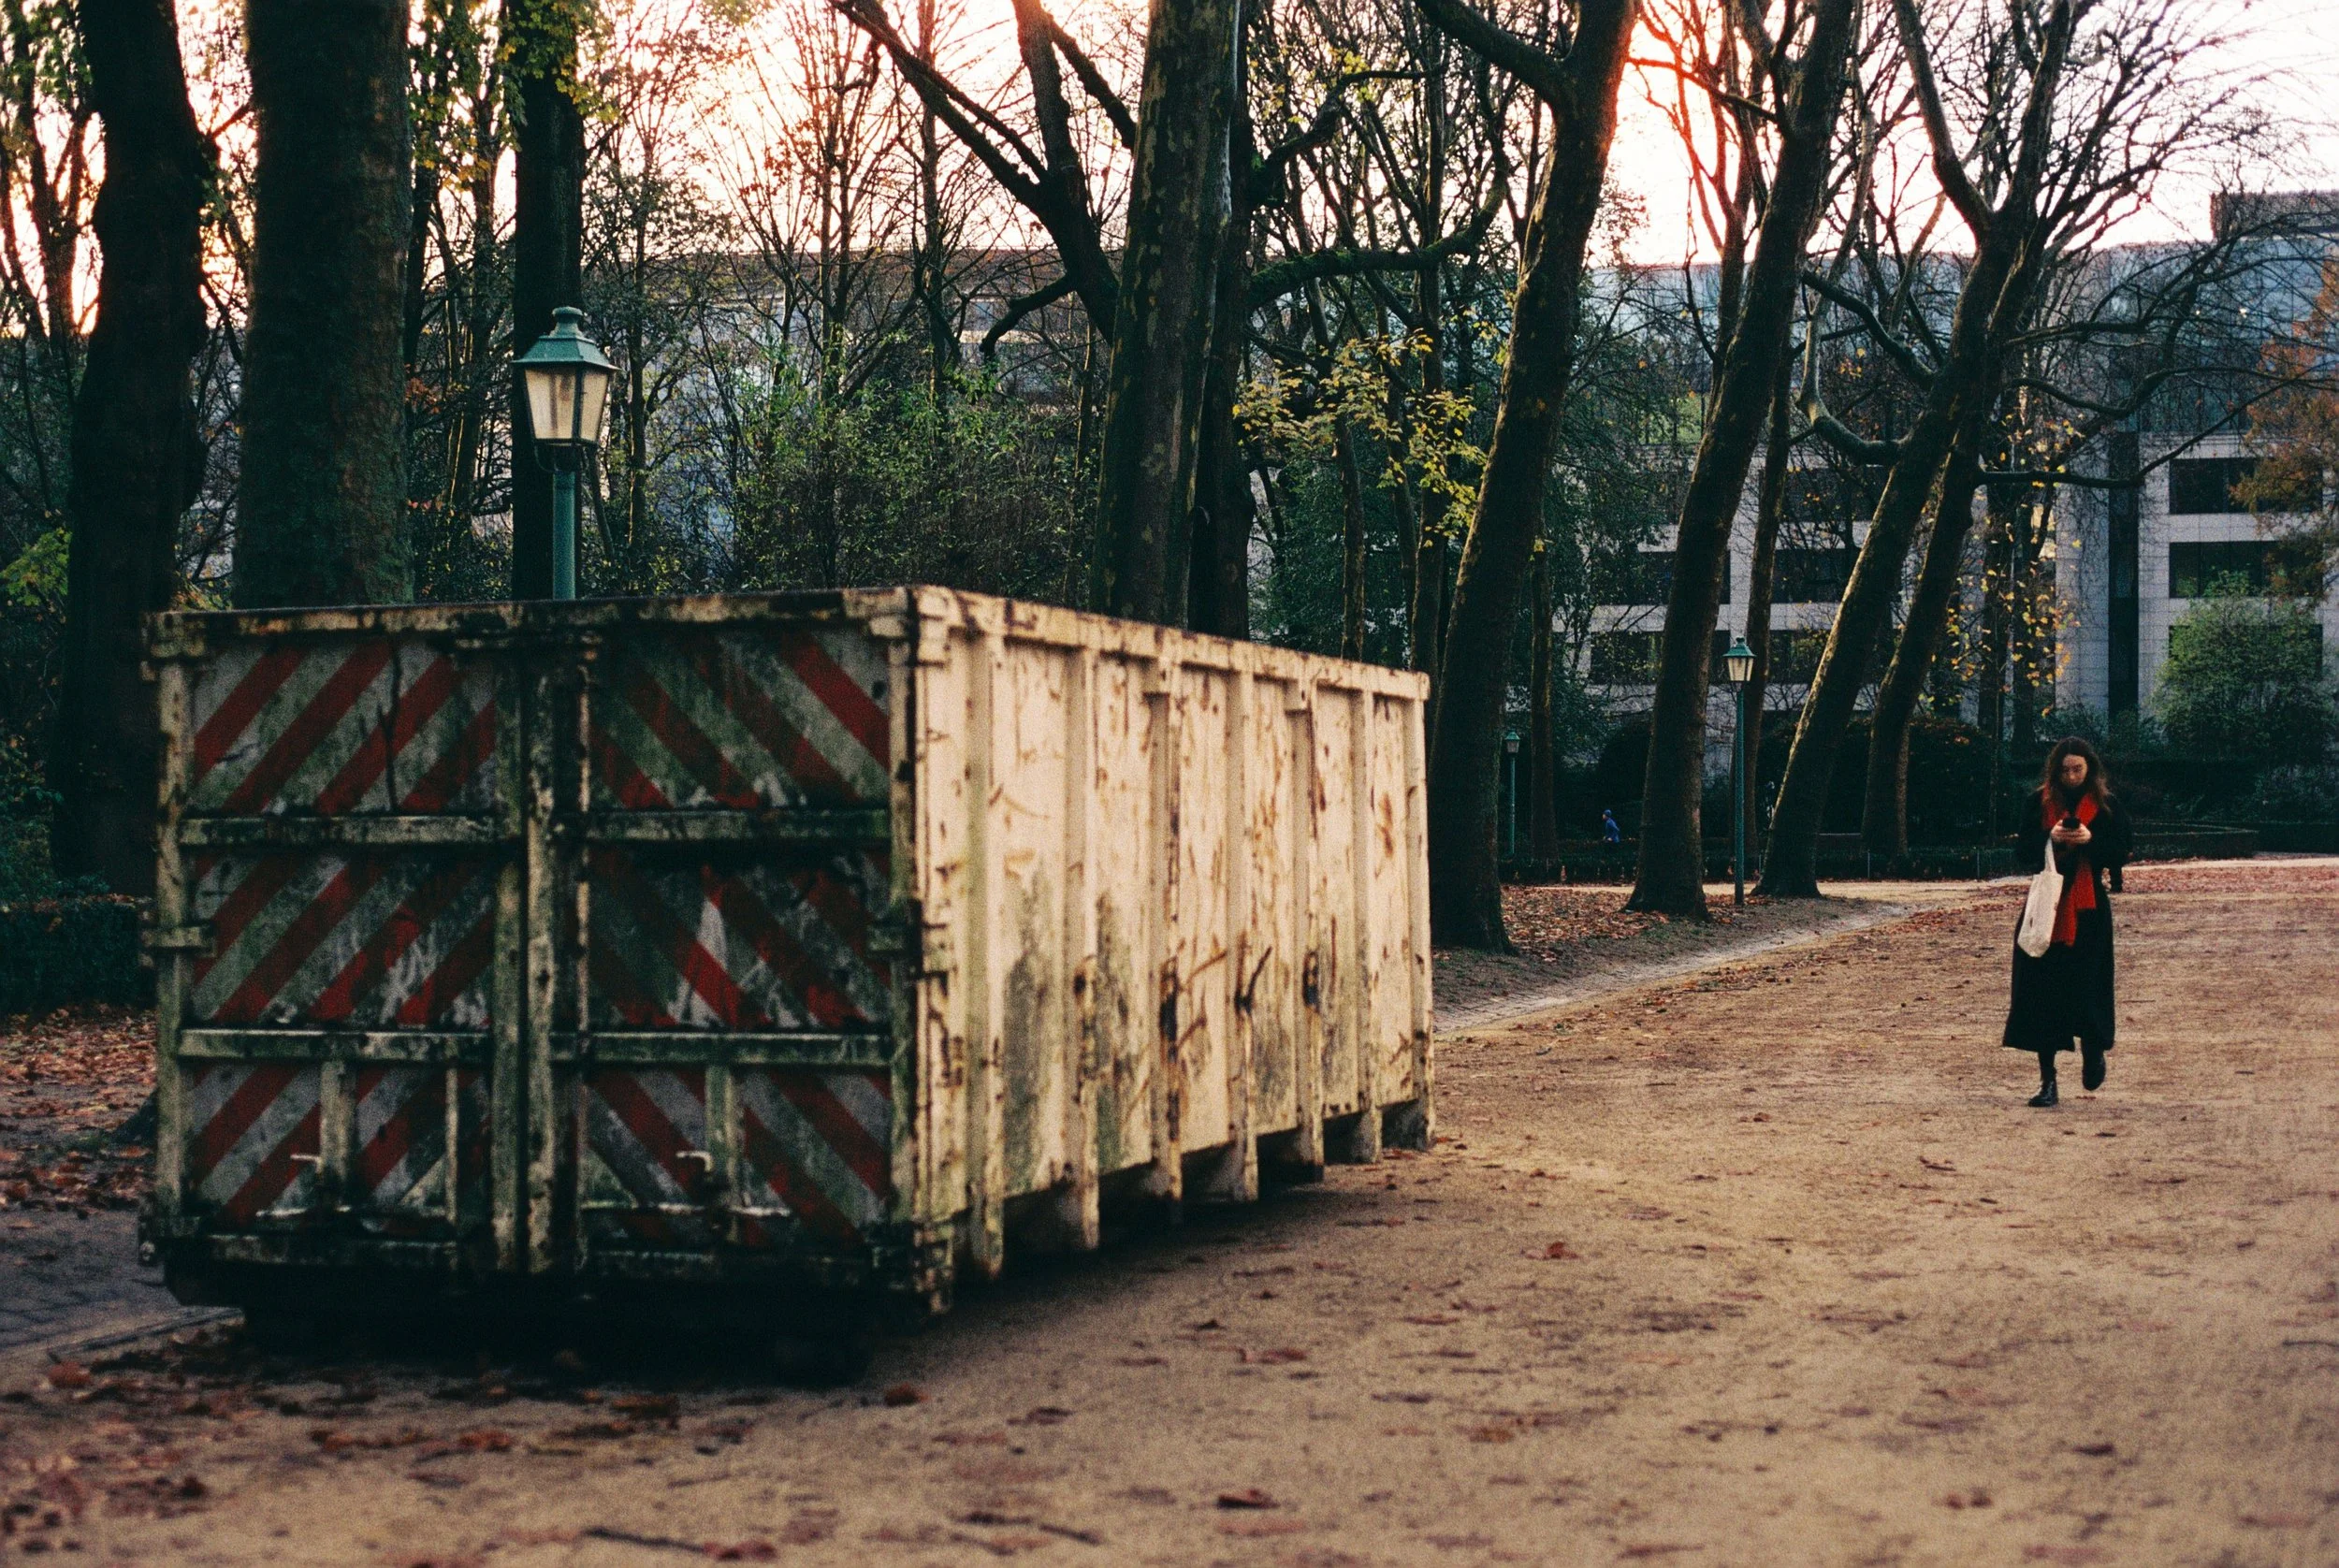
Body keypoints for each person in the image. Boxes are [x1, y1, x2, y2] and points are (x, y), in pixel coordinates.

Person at [2003, 737, 2131, 1107]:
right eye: (2065, 770)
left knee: (2088, 986)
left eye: (2078, 769)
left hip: (2088, 908)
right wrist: (2050, 837)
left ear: (2089, 768)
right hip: (2046, 907)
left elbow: (2123, 851)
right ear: (2055, 771)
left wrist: (2090, 840)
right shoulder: (2038, 803)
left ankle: (2093, 1051)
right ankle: (2048, 1081)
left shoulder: (2106, 806)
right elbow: (2022, 853)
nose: (2071, 776)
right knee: (2041, 992)